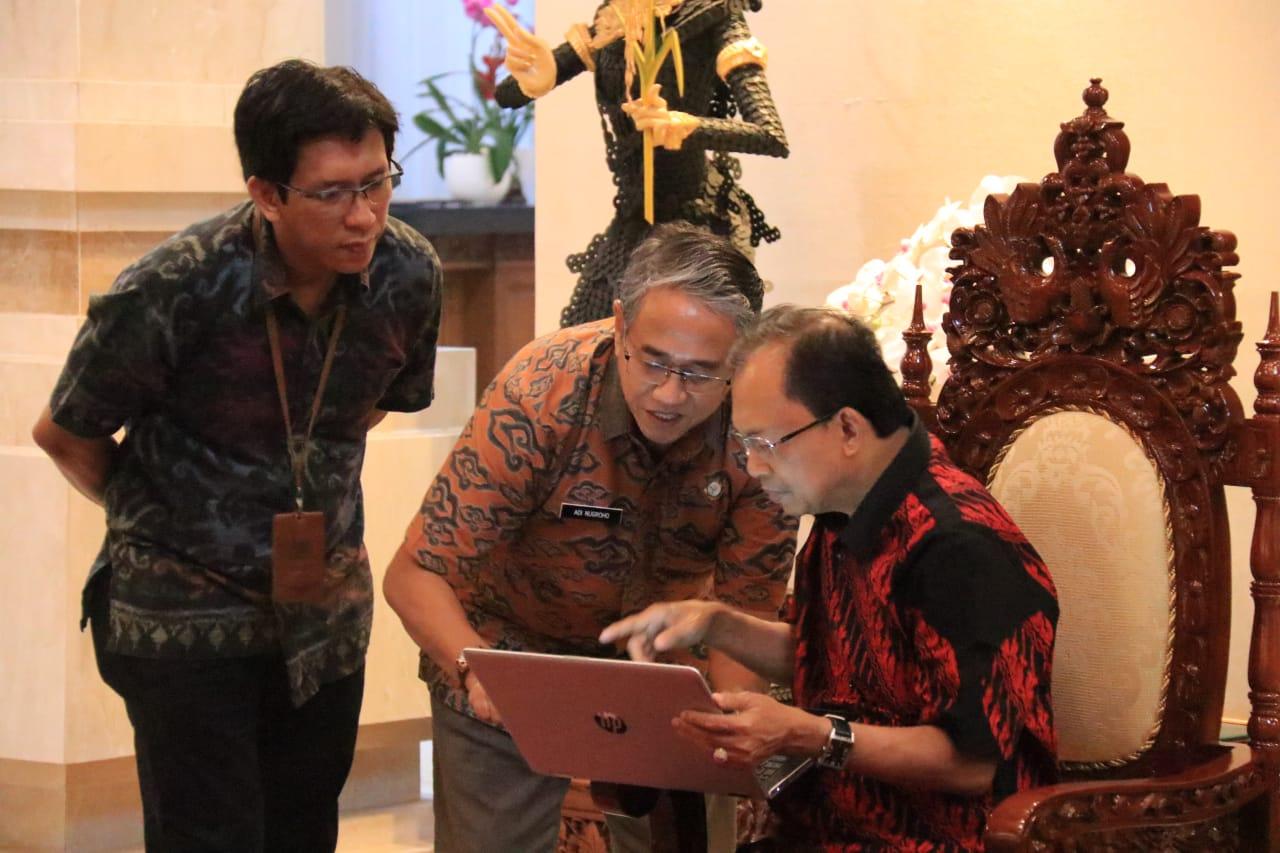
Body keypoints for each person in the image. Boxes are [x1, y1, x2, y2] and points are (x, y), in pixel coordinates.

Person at [31, 60, 442, 852]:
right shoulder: (174, 286)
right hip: (183, 619)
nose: (363, 216)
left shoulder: (408, 273)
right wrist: (164, 515)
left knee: (304, 832)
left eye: (377, 182)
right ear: (266, 193)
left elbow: (374, 404)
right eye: (332, 192)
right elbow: (65, 431)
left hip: (323, 615)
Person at [384, 222, 796, 853]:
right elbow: (416, 573)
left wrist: (728, 724)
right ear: (621, 323)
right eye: (653, 361)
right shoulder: (540, 392)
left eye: (700, 374)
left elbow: (746, 613)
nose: (669, 394)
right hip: (508, 653)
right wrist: (472, 668)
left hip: (663, 671)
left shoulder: (765, 427)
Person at [601, 306, 1058, 850]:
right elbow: (829, 658)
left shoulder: (957, 547)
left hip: (939, 837)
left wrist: (811, 734)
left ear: (847, 428)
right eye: (745, 445)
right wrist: (716, 624)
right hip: (834, 827)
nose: (753, 467)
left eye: (766, 444)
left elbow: (974, 762)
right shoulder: (845, 509)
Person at [488, 0, 788, 327]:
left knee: (687, 336)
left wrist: (685, 126)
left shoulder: (714, 12)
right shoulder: (615, 20)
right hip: (633, 223)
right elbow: (508, 95)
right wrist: (536, 78)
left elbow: (771, 135)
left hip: (694, 228)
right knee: (596, 331)